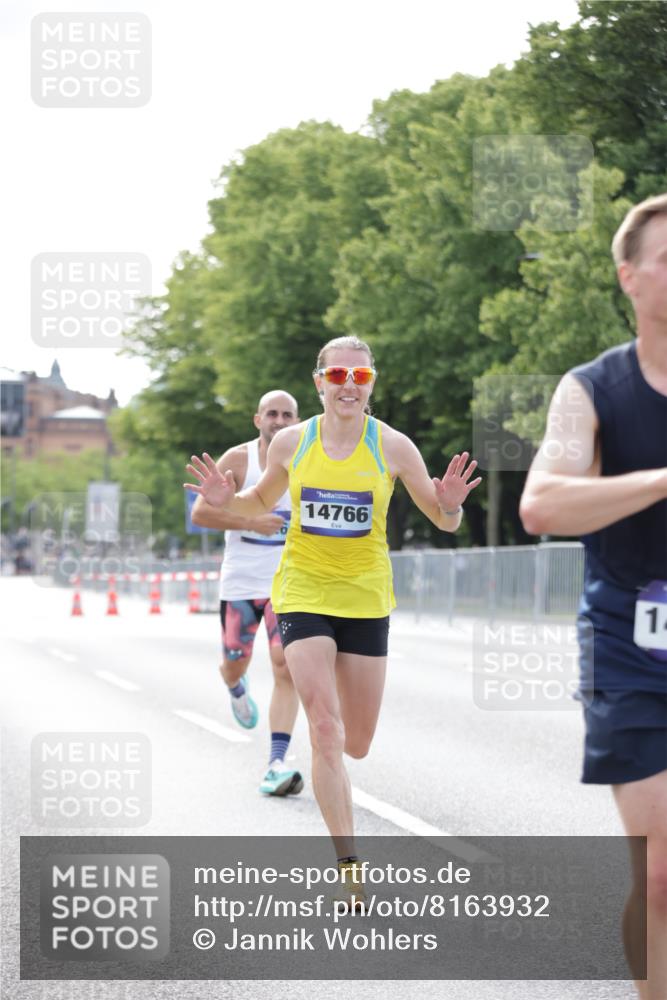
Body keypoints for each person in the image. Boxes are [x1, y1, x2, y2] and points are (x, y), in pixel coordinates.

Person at [185, 335, 481, 906]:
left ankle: (336, 753)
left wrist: (450, 502)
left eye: (360, 377)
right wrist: (228, 499)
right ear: (319, 382)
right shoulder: (293, 442)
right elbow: (256, 503)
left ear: (371, 383)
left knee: (359, 742)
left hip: (366, 598)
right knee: (324, 727)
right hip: (302, 590)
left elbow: (444, 521)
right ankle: (348, 864)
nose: (349, 386)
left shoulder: (394, 447)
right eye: (338, 376)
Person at [519, 193, 667, 999]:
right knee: (659, 878)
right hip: (631, 644)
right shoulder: (589, 391)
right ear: (629, 277)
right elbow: (541, 504)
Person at [191, 390, 303, 797]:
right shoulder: (239, 460)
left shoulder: (308, 457)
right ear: (258, 419)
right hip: (241, 581)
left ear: (297, 421)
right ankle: (235, 687)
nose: (279, 420)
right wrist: (253, 522)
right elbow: (200, 512)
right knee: (235, 662)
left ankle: (276, 761)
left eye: (287, 414)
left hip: (287, 582)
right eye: (272, 413)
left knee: (284, 666)